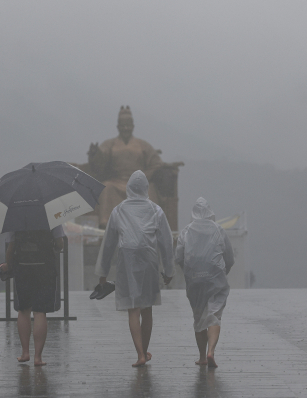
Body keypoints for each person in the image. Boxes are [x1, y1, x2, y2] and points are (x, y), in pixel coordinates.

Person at [95, 170, 176, 367]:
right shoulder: (156, 210)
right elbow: (166, 241)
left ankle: (140, 353)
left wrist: (103, 274)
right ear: (146, 189)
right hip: (149, 258)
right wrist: (169, 271)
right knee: (147, 307)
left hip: (127, 258)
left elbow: (108, 244)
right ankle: (144, 350)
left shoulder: (119, 210)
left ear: (129, 189)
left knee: (133, 308)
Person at [175, 197, 234, 368]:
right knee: (214, 314)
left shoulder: (186, 231)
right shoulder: (218, 230)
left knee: (199, 316)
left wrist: (187, 272)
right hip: (215, 277)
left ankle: (201, 356)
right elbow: (229, 257)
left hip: (195, 280)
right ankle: (211, 352)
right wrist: (224, 272)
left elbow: (179, 256)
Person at [87, 106, 164, 228]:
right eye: (123, 126)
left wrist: (144, 177)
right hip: (116, 182)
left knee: (150, 189)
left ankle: (150, 223)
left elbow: (156, 163)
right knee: (106, 188)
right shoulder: (109, 144)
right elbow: (99, 164)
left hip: (138, 185)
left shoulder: (143, 145)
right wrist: (94, 154)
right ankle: (106, 222)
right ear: (118, 127)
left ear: (133, 127)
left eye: (128, 125)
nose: (126, 128)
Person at [0, 225, 65, 366]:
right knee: (40, 311)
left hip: (22, 268)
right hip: (45, 268)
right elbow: (60, 243)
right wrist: (56, 248)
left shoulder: (16, 219)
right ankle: (38, 357)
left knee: (23, 310)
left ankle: (24, 353)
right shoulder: (51, 215)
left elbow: (10, 248)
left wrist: (9, 266)